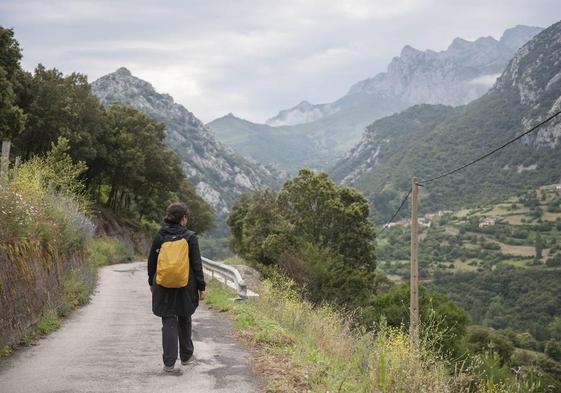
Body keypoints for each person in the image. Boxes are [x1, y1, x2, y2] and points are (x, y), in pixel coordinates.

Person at [147, 202, 206, 373]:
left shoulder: (160, 236)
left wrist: (152, 281)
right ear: (184, 218)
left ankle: (169, 363)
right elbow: (196, 264)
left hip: (163, 285)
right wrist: (201, 286)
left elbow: (152, 262)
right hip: (186, 285)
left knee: (168, 319)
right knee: (185, 316)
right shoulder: (190, 237)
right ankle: (186, 356)